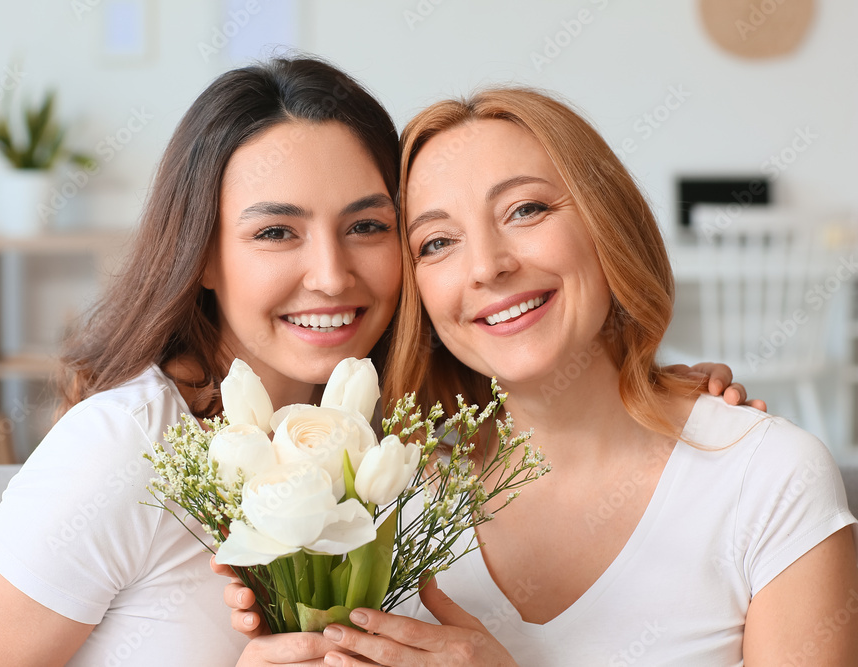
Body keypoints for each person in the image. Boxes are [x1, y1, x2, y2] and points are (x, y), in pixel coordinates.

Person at [0, 57, 749, 666]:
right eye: (276, 231)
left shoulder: (406, 447)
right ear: (203, 254)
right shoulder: (127, 448)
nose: (331, 273)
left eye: (368, 225)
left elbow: (570, 412)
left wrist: (656, 389)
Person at [222, 87, 858, 666]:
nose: (488, 267)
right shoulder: (388, 500)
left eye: (525, 210)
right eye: (437, 242)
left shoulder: (766, 476)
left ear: (607, 223)